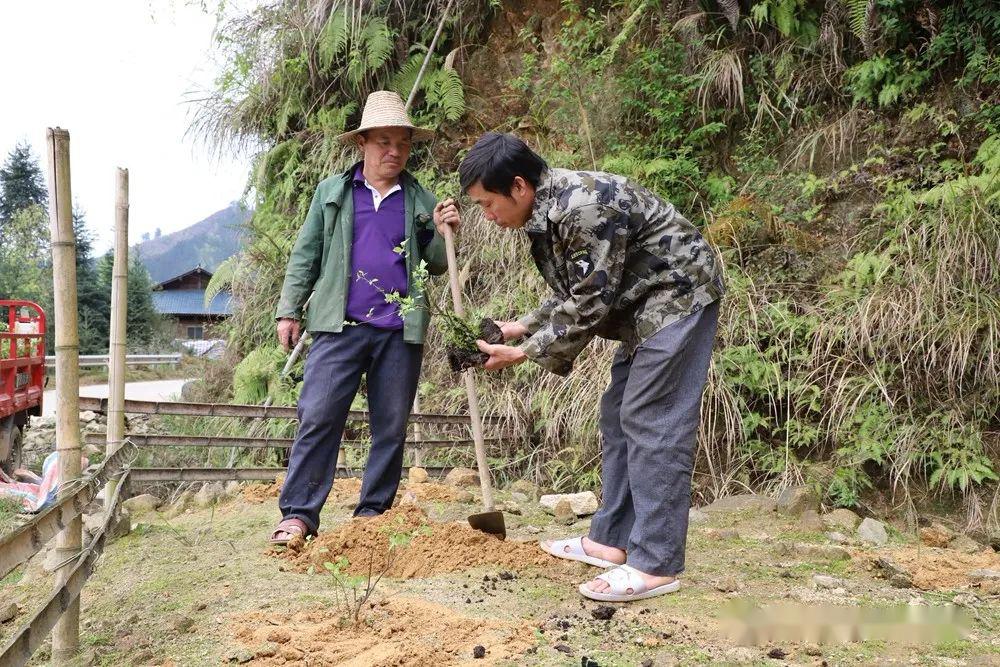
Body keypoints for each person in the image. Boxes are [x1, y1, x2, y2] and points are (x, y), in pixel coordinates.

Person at [446, 132, 725, 601]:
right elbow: (573, 287)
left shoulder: (583, 207)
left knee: (653, 421)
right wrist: (519, 327)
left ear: (518, 187)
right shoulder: (549, 210)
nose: (487, 216)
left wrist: (523, 352)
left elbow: (592, 301)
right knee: (618, 415)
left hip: (678, 297)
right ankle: (611, 540)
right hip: (643, 304)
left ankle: (656, 563)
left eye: (488, 204)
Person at [269, 91, 459, 545]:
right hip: (340, 325)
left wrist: (445, 228)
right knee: (318, 416)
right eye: (384, 142)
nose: (394, 152)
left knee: (390, 425)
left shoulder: (420, 200)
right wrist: (289, 309)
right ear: (363, 144)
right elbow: (306, 253)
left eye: (403, 143)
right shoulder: (332, 193)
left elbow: (435, 263)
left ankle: (372, 515)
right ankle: (298, 517)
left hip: (399, 331)